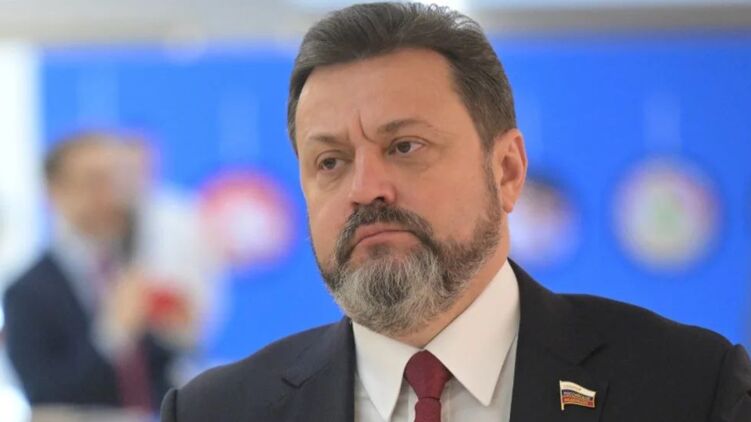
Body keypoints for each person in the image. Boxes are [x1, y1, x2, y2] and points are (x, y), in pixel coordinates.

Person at [160, 3, 751, 421]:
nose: (365, 189)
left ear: (507, 170)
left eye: (404, 147)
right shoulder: (216, 411)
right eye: (331, 161)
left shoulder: (689, 386)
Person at [3, 132, 195, 415]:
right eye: (95, 181)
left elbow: (163, 377)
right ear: (55, 191)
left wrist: (177, 336)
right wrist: (114, 334)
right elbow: (45, 393)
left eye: (121, 180)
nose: (113, 196)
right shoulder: (26, 292)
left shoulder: (136, 272)